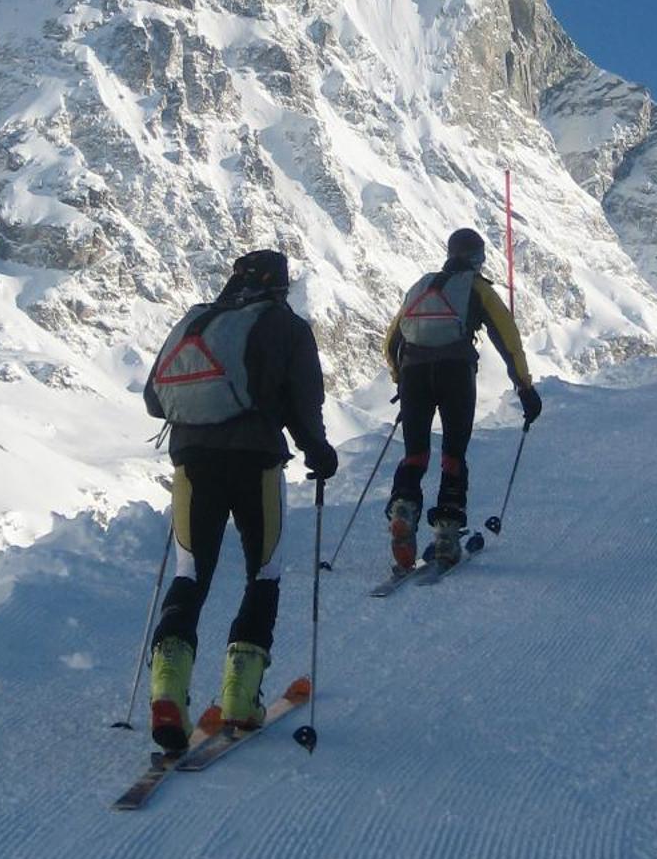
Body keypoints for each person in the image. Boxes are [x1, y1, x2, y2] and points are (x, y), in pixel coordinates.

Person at [143, 248, 338, 752]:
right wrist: (318, 451)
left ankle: (167, 691)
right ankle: (240, 696)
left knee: (190, 572)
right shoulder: (286, 325)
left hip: (190, 458)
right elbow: (303, 402)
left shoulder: (199, 319)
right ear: (281, 283)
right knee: (263, 571)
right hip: (255, 460)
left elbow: (152, 398)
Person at [382, 226, 542, 569]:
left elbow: (391, 341)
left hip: (413, 376)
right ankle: (446, 537)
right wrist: (525, 387)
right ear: (476, 258)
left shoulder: (422, 284)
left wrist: (401, 379)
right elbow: (508, 337)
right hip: (455, 373)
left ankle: (404, 509)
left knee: (416, 454)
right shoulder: (478, 288)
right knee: (453, 455)